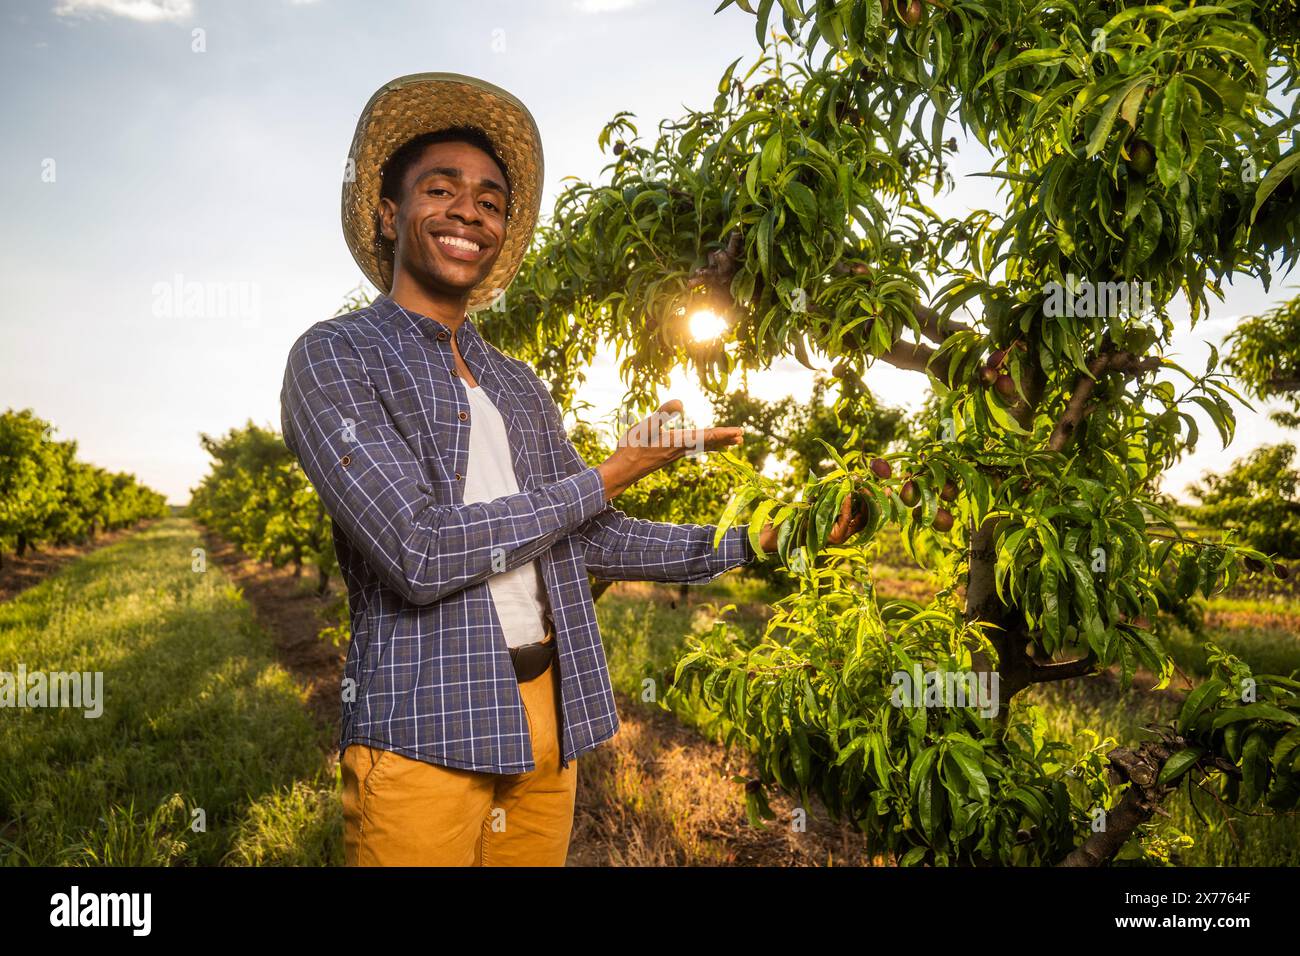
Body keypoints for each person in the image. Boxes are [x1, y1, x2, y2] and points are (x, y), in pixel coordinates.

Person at [280, 72, 865, 867]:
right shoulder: (335, 357)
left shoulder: (518, 383)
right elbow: (417, 552)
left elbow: (592, 541)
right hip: (421, 726)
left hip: (546, 712)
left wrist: (764, 536)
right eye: (441, 189)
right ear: (389, 212)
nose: (469, 213)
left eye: (490, 201)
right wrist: (616, 469)